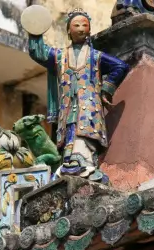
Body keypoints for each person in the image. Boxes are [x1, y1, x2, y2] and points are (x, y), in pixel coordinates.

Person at [27, 8, 129, 180]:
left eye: (85, 25)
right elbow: (39, 52)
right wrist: (35, 29)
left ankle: (83, 162)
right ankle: (69, 161)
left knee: (84, 133)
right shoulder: (60, 56)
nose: (81, 28)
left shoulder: (95, 56)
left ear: (89, 30)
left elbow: (121, 66)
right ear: (68, 30)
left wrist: (106, 89)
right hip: (68, 107)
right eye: (76, 25)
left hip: (88, 105)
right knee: (70, 132)